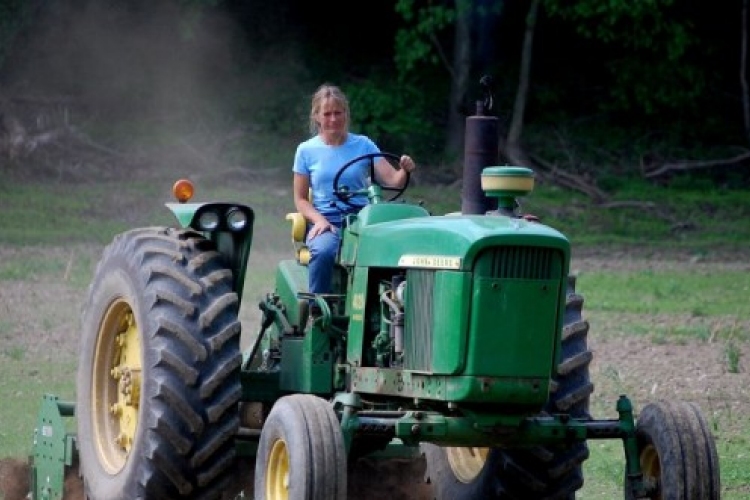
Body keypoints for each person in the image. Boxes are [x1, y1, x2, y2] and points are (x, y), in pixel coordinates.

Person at [292, 83, 416, 295]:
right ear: (317, 117)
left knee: (396, 249)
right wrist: (320, 220)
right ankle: (317, 309)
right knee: (323, 251)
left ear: (346, 114)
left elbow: (394, 180)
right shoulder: (306, 150)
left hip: (363, 219)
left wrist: (405, 169)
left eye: (338, 113)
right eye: (327, 113)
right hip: (328, 220)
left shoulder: (364, 145)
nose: (333, 119)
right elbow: (301, 199)